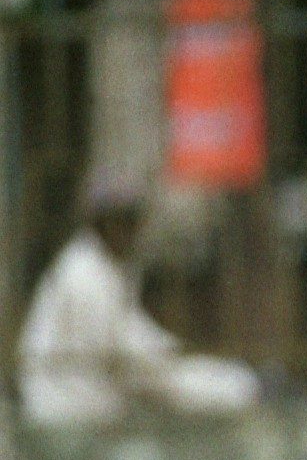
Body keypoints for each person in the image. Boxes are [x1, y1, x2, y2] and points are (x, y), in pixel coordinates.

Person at [17, 182, 258, 428]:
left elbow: (132, 329)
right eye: (119, 222)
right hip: (64, 403)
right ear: (101, 223)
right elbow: (115, 351)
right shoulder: (82, 272)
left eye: (131, 222)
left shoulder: (112, 266)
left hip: (93, 398)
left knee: (221, 383)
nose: (128, 231)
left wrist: (168, 351)